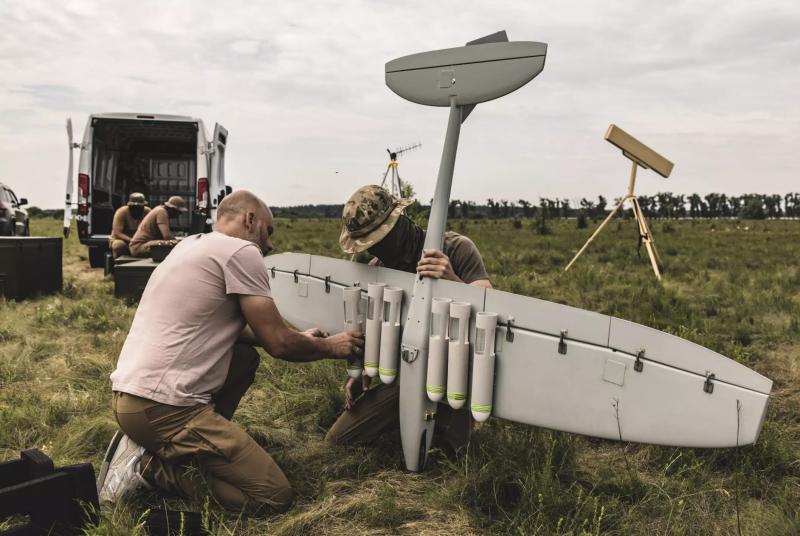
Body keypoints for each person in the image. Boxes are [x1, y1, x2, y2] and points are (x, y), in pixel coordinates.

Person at [96, 190, 365, 514]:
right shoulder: (240, 252)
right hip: (165, 410)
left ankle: (161, 446)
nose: (269, 245)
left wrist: (298, 336)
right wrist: (329, 346)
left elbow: (233, 328)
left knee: (243, 356)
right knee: (272, 494)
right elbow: (277, 343)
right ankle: (149, 469)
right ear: (250, 220)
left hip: (130, 398)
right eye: (268, 231)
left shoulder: (192, 246)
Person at [326, 185, 492, 452]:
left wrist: (451, 280)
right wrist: (363, 370)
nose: (374, 249)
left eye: (378, 240)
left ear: (398, 223)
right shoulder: (378, 269)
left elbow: (488, 306)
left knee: (454, 455)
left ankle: (452, 421)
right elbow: (378, 330)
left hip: (457, 371)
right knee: (339, 440)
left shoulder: (455, 248)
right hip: (408, 374)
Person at [109, 192, 151, 258]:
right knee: (118, 245)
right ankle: (118, 266)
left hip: (140, 241)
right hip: (123, 240)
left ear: (143, 206)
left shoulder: (148, 212)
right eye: (133, 207)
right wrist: (132, 240)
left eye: (139, 207)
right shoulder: (121, 212)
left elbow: (151, 229)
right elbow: (117, 233)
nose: (136, 210)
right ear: (129, 205)